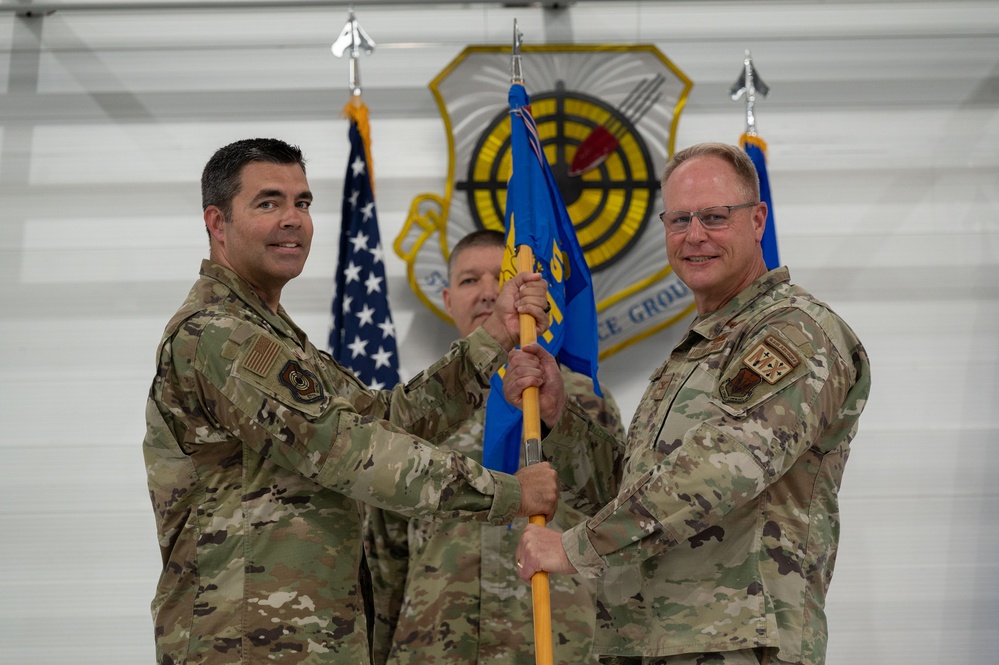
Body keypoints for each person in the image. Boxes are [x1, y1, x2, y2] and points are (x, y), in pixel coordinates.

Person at [143, 138, 560, 665]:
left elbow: (388, 422)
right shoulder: (218, 337)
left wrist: (494, 336)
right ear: (217, 222)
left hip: (306, 643)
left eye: (303, 203)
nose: (293, 219)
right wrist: (506, 494)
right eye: (268, 203)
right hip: (243, 643)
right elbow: (346, 450)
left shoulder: (274, 337)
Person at [505, 142, 871, 665]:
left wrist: (575, 547)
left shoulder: (795, 332)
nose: (694, 235)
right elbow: (629, 493)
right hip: (646, 642)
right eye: (679, 220)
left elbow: (722, 470)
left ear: (758, 219)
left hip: (738, 644)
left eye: (715, 217)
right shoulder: (696, 350)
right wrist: (560, 418)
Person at [362, 229, 625, 665]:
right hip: (436, 645)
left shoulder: (579, 399)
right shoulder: (419, 408)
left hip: (560, 641)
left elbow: (617, 516)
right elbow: (384, 556)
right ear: (447, 299)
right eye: (469, 280)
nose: (488, 292)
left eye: (501, 278)